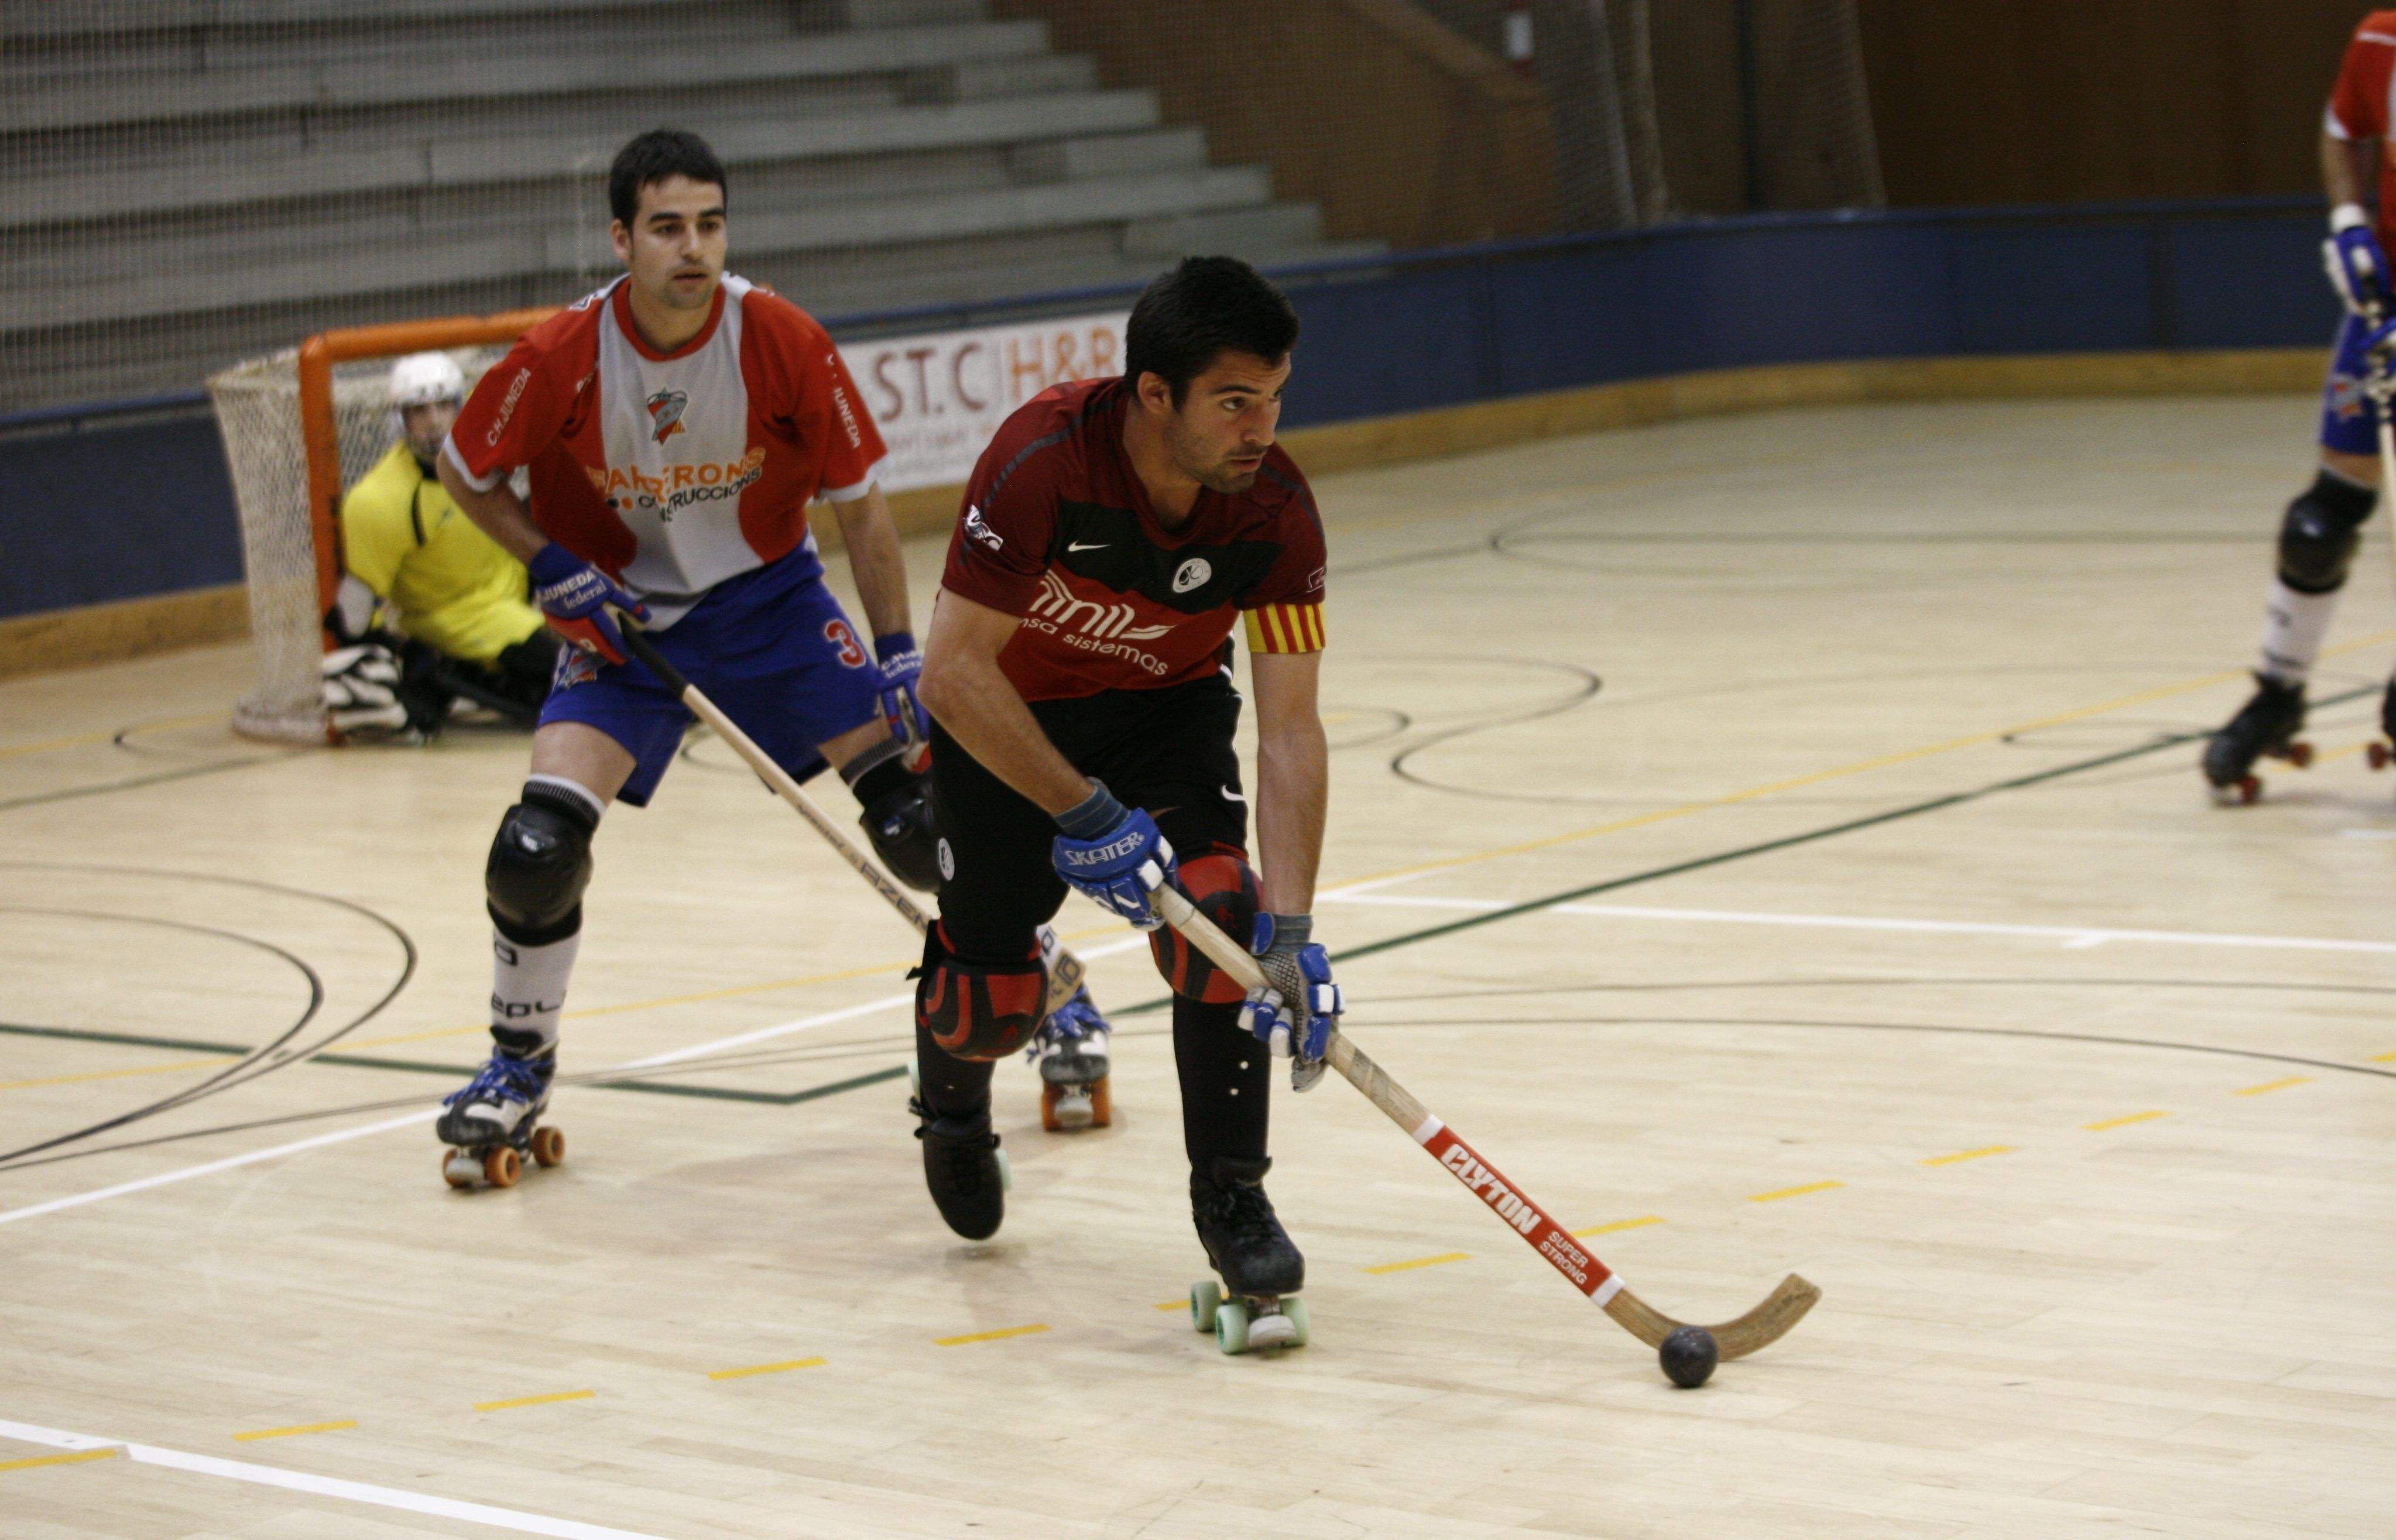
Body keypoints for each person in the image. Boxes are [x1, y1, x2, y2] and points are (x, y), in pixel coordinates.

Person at [426, 128, 949, 1169]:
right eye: (667, 227)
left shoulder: (782, 338)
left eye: (709, 225)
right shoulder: (560, 356)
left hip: (773, 606)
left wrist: (896, 652)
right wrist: (543, 561)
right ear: (622, 239)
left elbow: (863, 513)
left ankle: (1038, 982)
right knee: (533, 854)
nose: (693, 248)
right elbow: (461, 466)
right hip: (622, 626)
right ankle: (517, 1065)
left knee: (918, 824)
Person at [908, 255, 1343, 1326]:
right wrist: (1081, 811)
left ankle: (1234, 1197)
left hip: (1164, 719)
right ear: (1155, 394)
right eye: (1234, 402)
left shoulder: (1274, 511)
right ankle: (954, 1115)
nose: (1261, 427)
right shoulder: (1042, 464)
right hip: (1006, 724)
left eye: (1274, 398)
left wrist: (1288, 925)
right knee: (989, 1005)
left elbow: (1288, 728)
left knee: (1223, 932)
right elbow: (952, 672)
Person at [2205, 11, 2396, 795]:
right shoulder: (2382, 39)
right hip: (2385, 308)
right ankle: (2278, 694)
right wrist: (2350, 221)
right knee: (2319, 525)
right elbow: (2343, 128)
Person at [320, 351, 558, 740]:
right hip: (466, 619)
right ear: (399, 420)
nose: (434, 422)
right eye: (419, 411)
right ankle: (446, 669)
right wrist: (395, 656)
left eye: (444, 406)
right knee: (589, 676)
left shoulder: (485, 452)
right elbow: (353, 616)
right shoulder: (379, 501)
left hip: (512, 587)